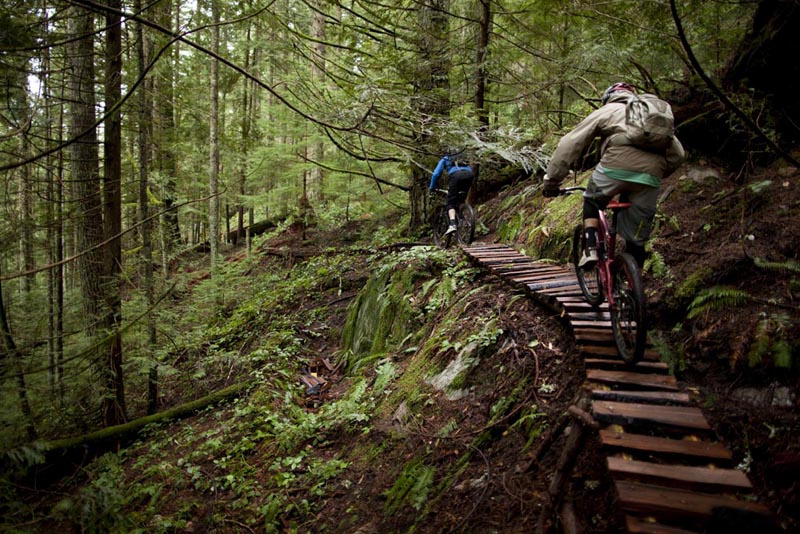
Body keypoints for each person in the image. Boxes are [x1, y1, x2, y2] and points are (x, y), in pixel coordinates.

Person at [542, 82, 685, 268]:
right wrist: (656, 173)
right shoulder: (646, 116)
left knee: (592, 200)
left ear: (608, 97)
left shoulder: (609, 110)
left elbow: (570, 143)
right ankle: (631, 285)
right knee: (637, 239)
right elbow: (679, 155)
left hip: (614, 167)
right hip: (651, 175)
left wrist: (552, 181)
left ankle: (591, 248)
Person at [429, 150, 475, 235]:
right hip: (469, 175)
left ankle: (453, 225)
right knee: (461, 198)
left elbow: (436, 174)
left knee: (451, 203)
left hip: (456, 176)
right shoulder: (463, 158)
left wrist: (432, 188)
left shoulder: (445, 158)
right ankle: (463, 219)